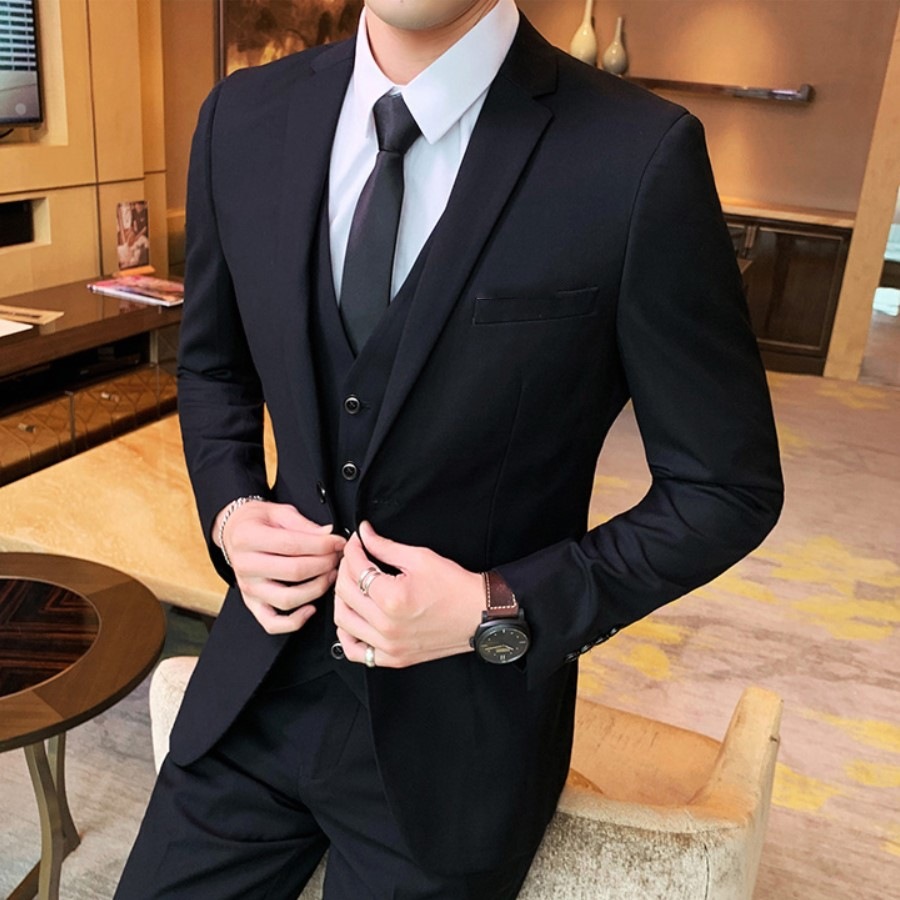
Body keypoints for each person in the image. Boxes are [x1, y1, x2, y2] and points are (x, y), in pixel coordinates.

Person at [117, 0, 783, 896]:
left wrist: (496, 607)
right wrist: (232, 512)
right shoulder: (240, 117)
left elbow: (724, 487)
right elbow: (212, 368)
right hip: (252, 694)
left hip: (460, 747)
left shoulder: (637, 155)